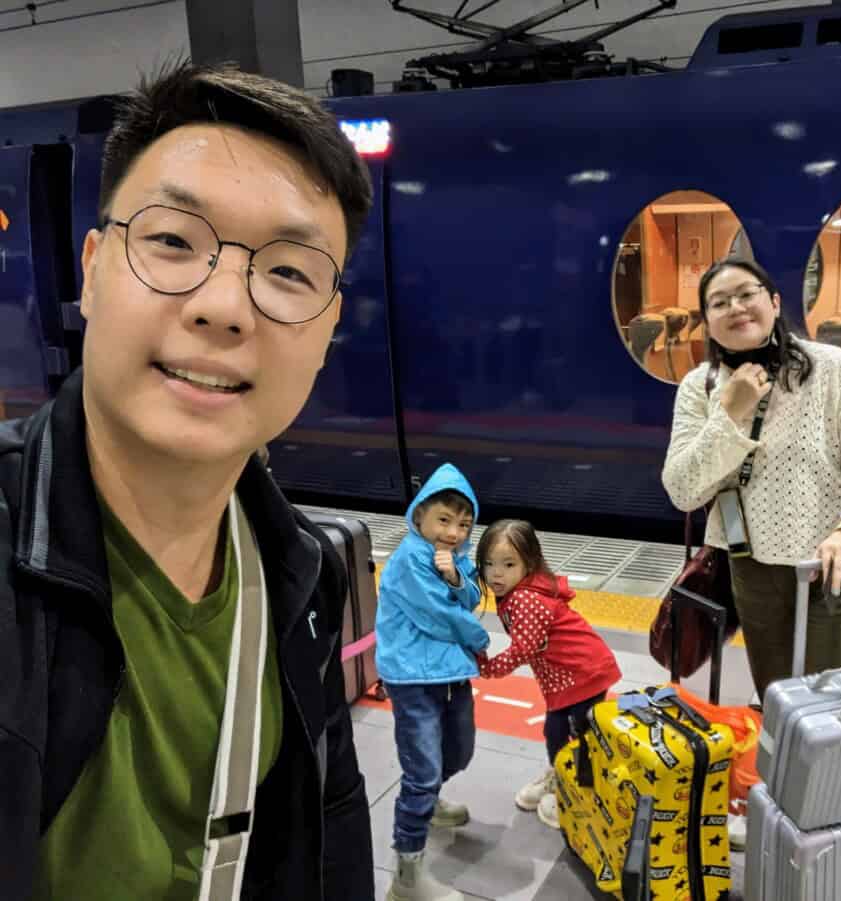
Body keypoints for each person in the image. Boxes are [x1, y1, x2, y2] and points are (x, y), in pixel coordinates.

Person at [0, 61, 374, 899]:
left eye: (288, 272)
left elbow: (333, 842)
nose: (225, 306)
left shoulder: (304, 572)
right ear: (93, 268)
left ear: (326, 332)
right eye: (172, 241)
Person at [662, 256, 841, 701]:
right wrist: (730, 414)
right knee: (779, 701)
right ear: (707, 322)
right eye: (719, 302)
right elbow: (682, 490)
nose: (735, 307)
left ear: (773, 302)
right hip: (752, 572)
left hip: (837, 570)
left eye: (746, 294)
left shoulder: (831, 369)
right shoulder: (701, 389)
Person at [375, 463, 489, 901]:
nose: (454, 532)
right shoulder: (407, 561)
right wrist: (481, 640)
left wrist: (457, 577)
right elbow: (438, 617)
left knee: (458, 751)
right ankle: (406, 876)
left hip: (451, 673)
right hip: (412, 677)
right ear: (419, 515)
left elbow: (475, 595)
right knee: (421, 771)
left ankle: (430, 802)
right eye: (444, 520)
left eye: (464, 524)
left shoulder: (454, 558)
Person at [474, 520, 621, 830]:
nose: (496, 573)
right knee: (559, 731)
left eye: (508, 564)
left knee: (577, 736)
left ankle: (576, 794)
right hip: (571, 677)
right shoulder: (520, 590)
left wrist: (489, 667)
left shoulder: (525, 599)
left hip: (582, 675)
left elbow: (523, 649)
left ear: (530, 563)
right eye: (489, 564)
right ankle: (561, 775)